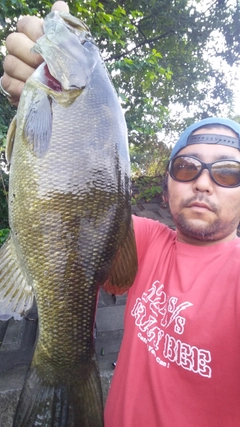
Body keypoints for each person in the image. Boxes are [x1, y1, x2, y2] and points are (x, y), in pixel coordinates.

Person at [1, 2, 240, 426]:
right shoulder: (144, 240)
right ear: (167, 185)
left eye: (227, 172)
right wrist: (34, 100)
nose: (203, 182)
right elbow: (75, 206)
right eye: (187, 167)